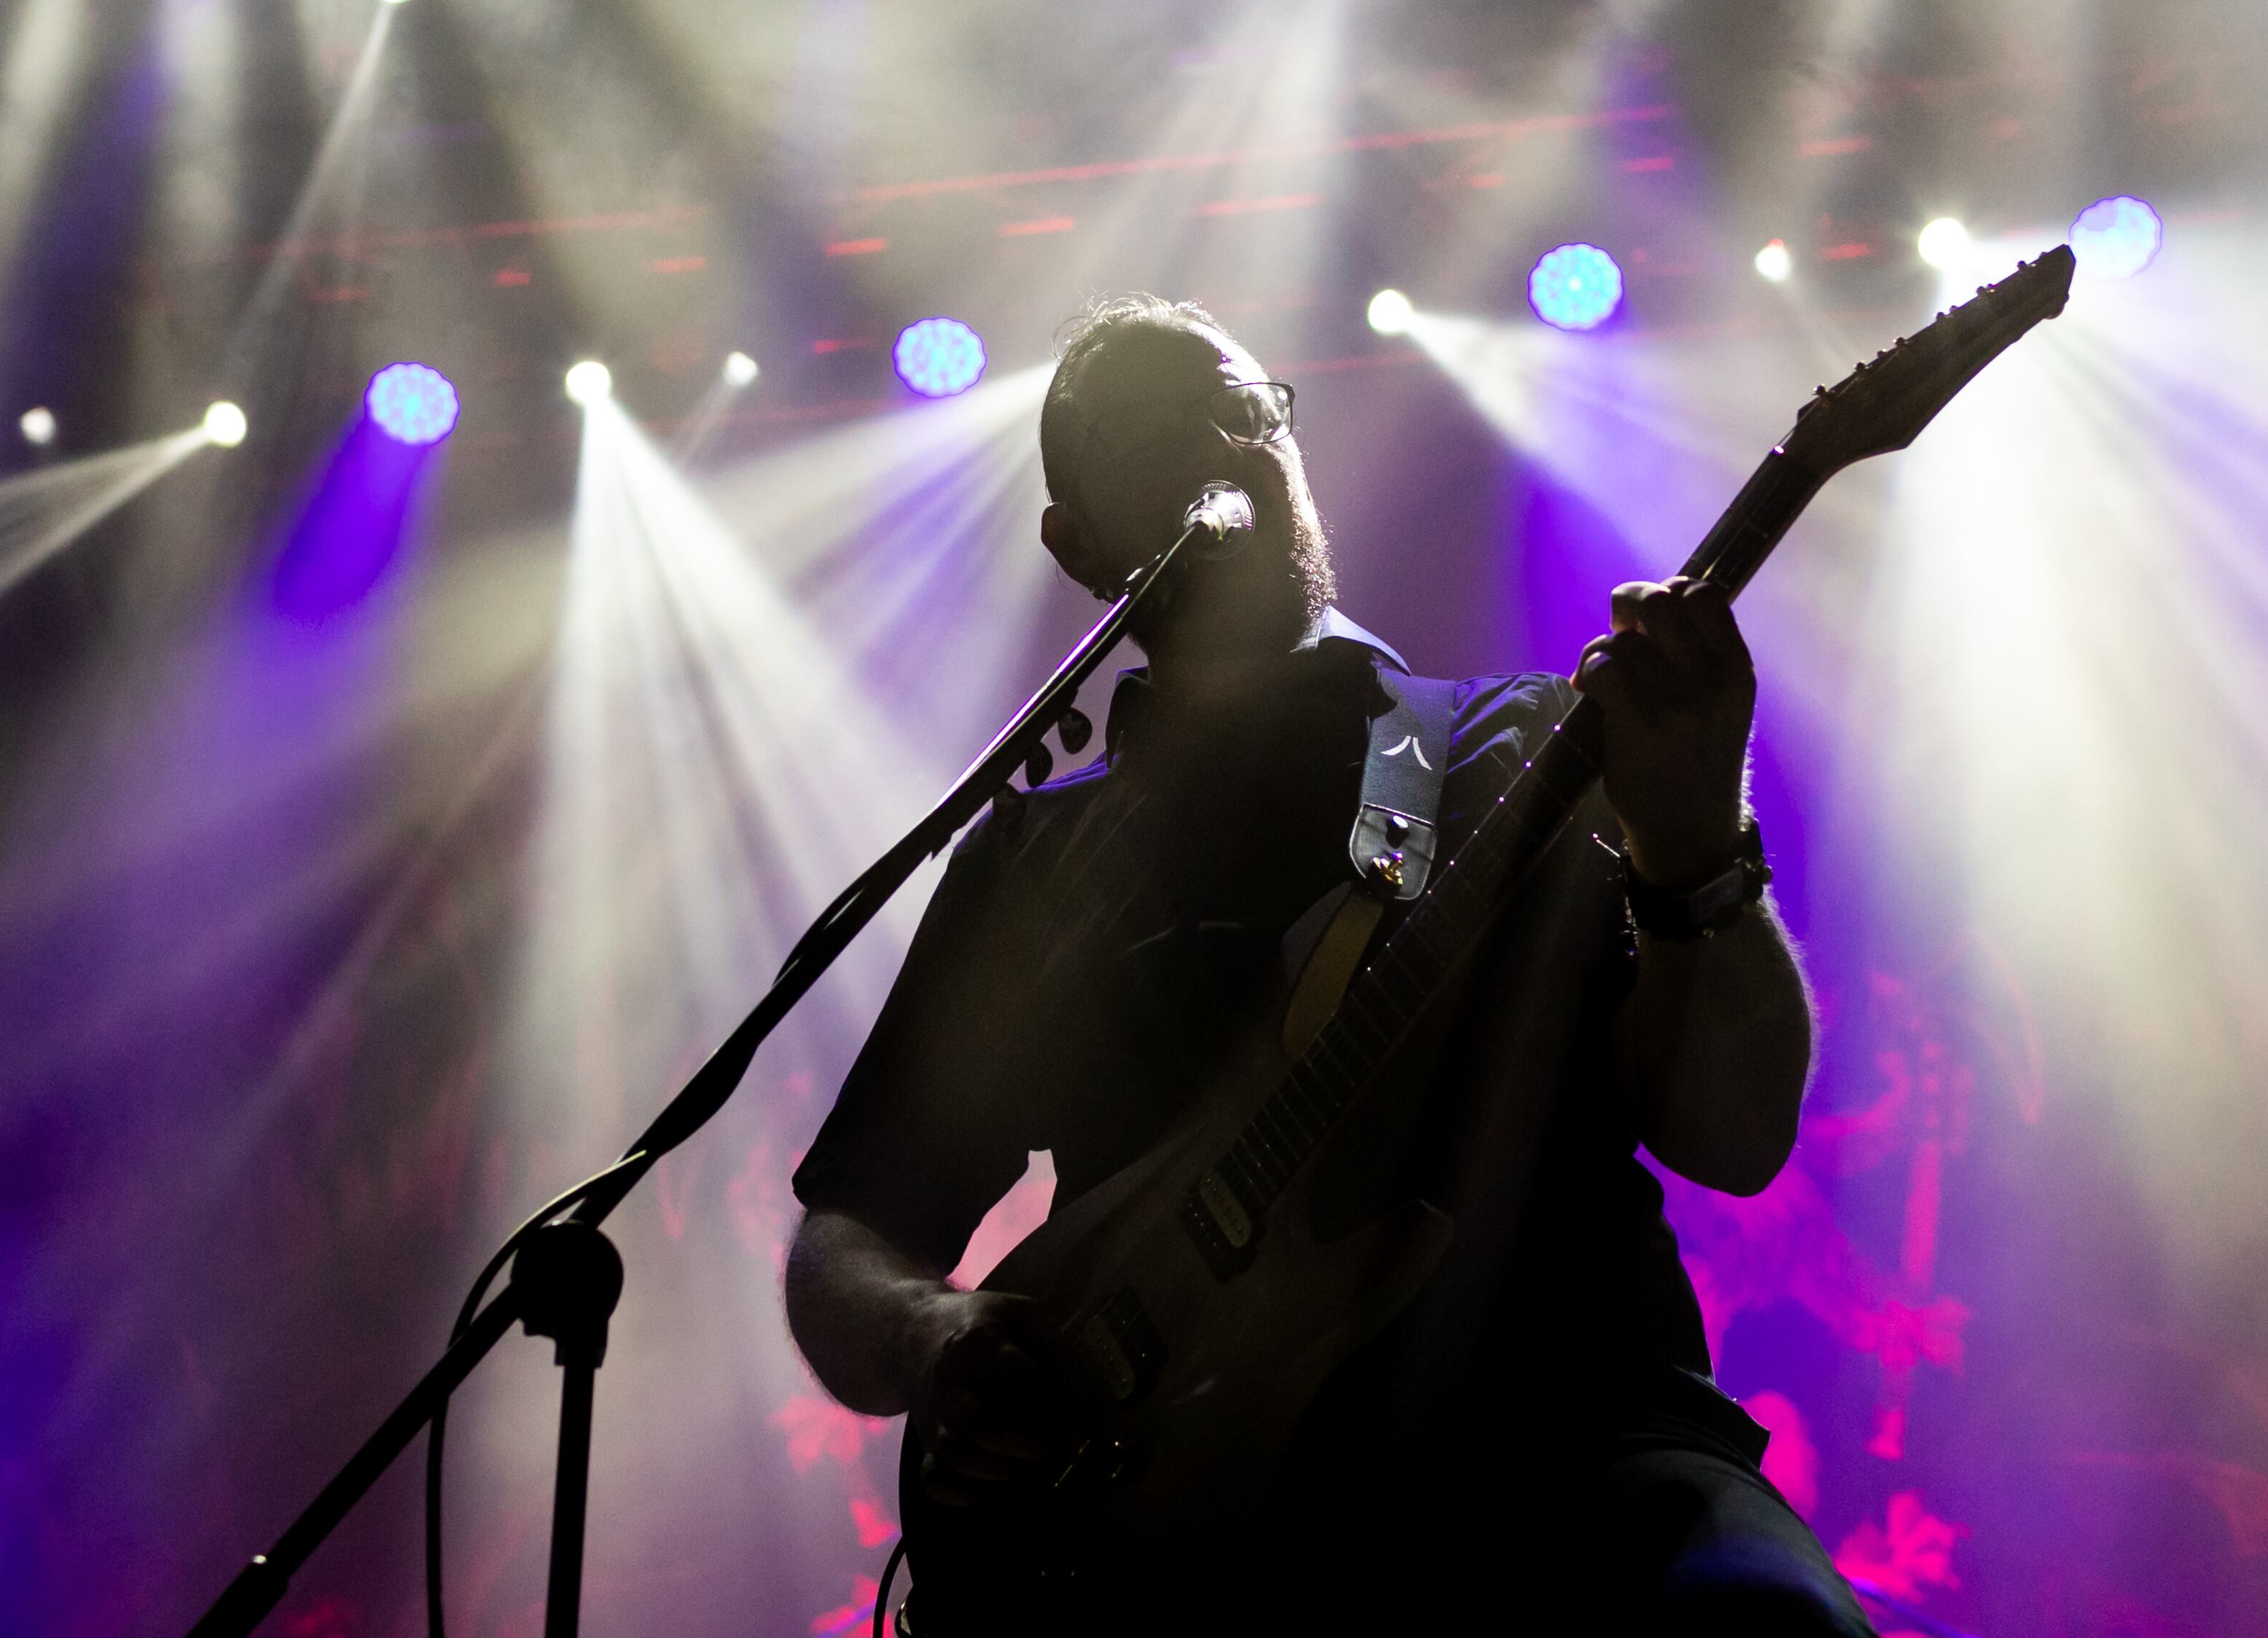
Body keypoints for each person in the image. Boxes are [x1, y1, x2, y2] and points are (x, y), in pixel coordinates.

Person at [785, 294, 1874, 1636]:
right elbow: (851, 1233)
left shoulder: (1513, 750)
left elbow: (1735, 1133)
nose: (1216, 449)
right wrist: (934, 1339)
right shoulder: (1031, 859)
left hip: (1560, 1442)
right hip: (1173, 1526)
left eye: (1242, 409)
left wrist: (1699, 842)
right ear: (1074, 543)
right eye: (1149, 436)